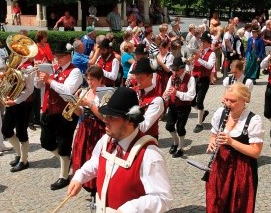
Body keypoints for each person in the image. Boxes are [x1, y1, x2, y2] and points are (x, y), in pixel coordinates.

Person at [67, 87, 173, 211]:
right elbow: (95, 163)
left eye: (112, 117)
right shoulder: (105, 141)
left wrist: (129, 209)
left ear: (129, 121)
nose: (105, 120)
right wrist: (79, 177)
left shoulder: (149, 154)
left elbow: (163, 197)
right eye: (106, 115)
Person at [206, 83, 264, 213]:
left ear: (244, 100)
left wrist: (231, 142)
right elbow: (213, 134)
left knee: (237, 204)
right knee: (216, 200)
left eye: (232, 101)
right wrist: (211, 142)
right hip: (220, 164)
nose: (227, 103)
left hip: (242, 168)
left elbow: (256, 152)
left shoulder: (253, 120)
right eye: (226, 99)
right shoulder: (221, 113)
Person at [37, 41, 82, 190]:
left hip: (64, 114)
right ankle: (67, 162)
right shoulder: (54, 68)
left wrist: (50, 79)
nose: (57, 59)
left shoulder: (75, 72)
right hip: (49, 110)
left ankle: (63, 176)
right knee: (46, 142)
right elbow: (39, 87)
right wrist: (40, 78)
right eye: (56, 56)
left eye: (60, 56)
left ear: (69, 56)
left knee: (64, 145)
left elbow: (67, 91)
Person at [70, 66, 107, 206]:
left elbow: (104, 117)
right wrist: (75, 106)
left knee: (96, 157)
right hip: (85, 128)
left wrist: (90, 104)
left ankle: (97, 189)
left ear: (100, 80)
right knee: (82, 156)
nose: (89, 82)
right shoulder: (85, 92)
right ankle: (89, 187)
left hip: (98, 129)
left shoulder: (105, 93)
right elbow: (81, 114)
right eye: (88, 79)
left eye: (92, 80)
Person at [0, 54, 35, 172]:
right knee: (6, 130)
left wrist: (16, 101)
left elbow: (30, 89)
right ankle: (19, 154)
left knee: (21, 132)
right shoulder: (12, 65)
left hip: (23, 103)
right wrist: (1, 77)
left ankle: (24, 161)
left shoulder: (29, 68)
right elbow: (8, 82)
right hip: (11, 101)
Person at [162, 57, 195, 157]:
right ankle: (175, 142)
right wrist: (165, 95)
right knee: (169, 126)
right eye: (174, 70)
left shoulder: (190, 78)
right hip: (172, 106)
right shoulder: (172, 78)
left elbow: (191, 96)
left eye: (177, 70)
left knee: (180, 128)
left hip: (184, 107)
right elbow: (167, 90)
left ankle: (180, 148)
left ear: (183, 68)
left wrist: (177, 93)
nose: (175, 72)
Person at [129, 58, 165, 139]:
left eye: (141, 78)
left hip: (147, 140)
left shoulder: (157, 100)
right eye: (136, 77)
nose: (138, 81)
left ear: (151, 76)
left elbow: (143, 127)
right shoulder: (133, 91)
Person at [192, 31, 215, 133]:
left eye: (205, 41)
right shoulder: (199, 51)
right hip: (195, 78)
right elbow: (194, 62)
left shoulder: (212, 53)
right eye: (202, 41)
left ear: (209, 43)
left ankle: (199, 123)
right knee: (192, 102)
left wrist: (199, 59)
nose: (202, 43)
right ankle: (203, 112)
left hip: (204, 79)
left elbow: (210, 66)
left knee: (199, 101)